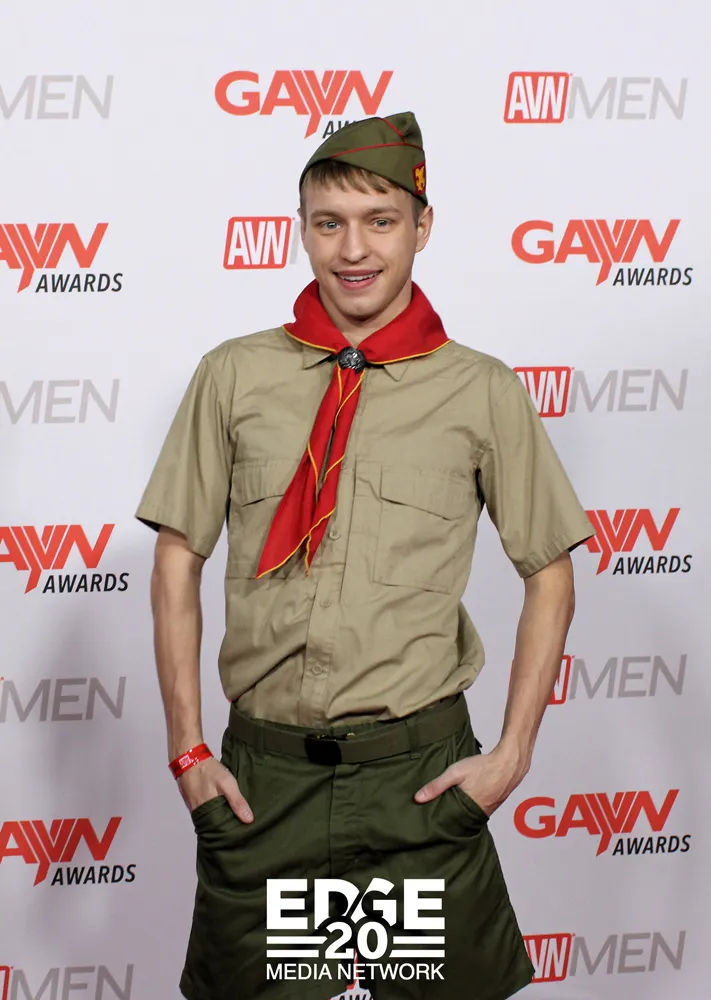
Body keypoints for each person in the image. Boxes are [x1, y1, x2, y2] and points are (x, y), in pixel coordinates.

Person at [136, 111, 594, 1000]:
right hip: (265, 788)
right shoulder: (234, 375)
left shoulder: (479, 389)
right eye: (329, 222)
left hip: (416, 787)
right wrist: (188, 751)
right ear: (301, 229)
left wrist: (511, 754)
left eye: (380, 221)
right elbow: (176, 560)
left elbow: (549, 572)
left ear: (422, 226)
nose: (353, 249)